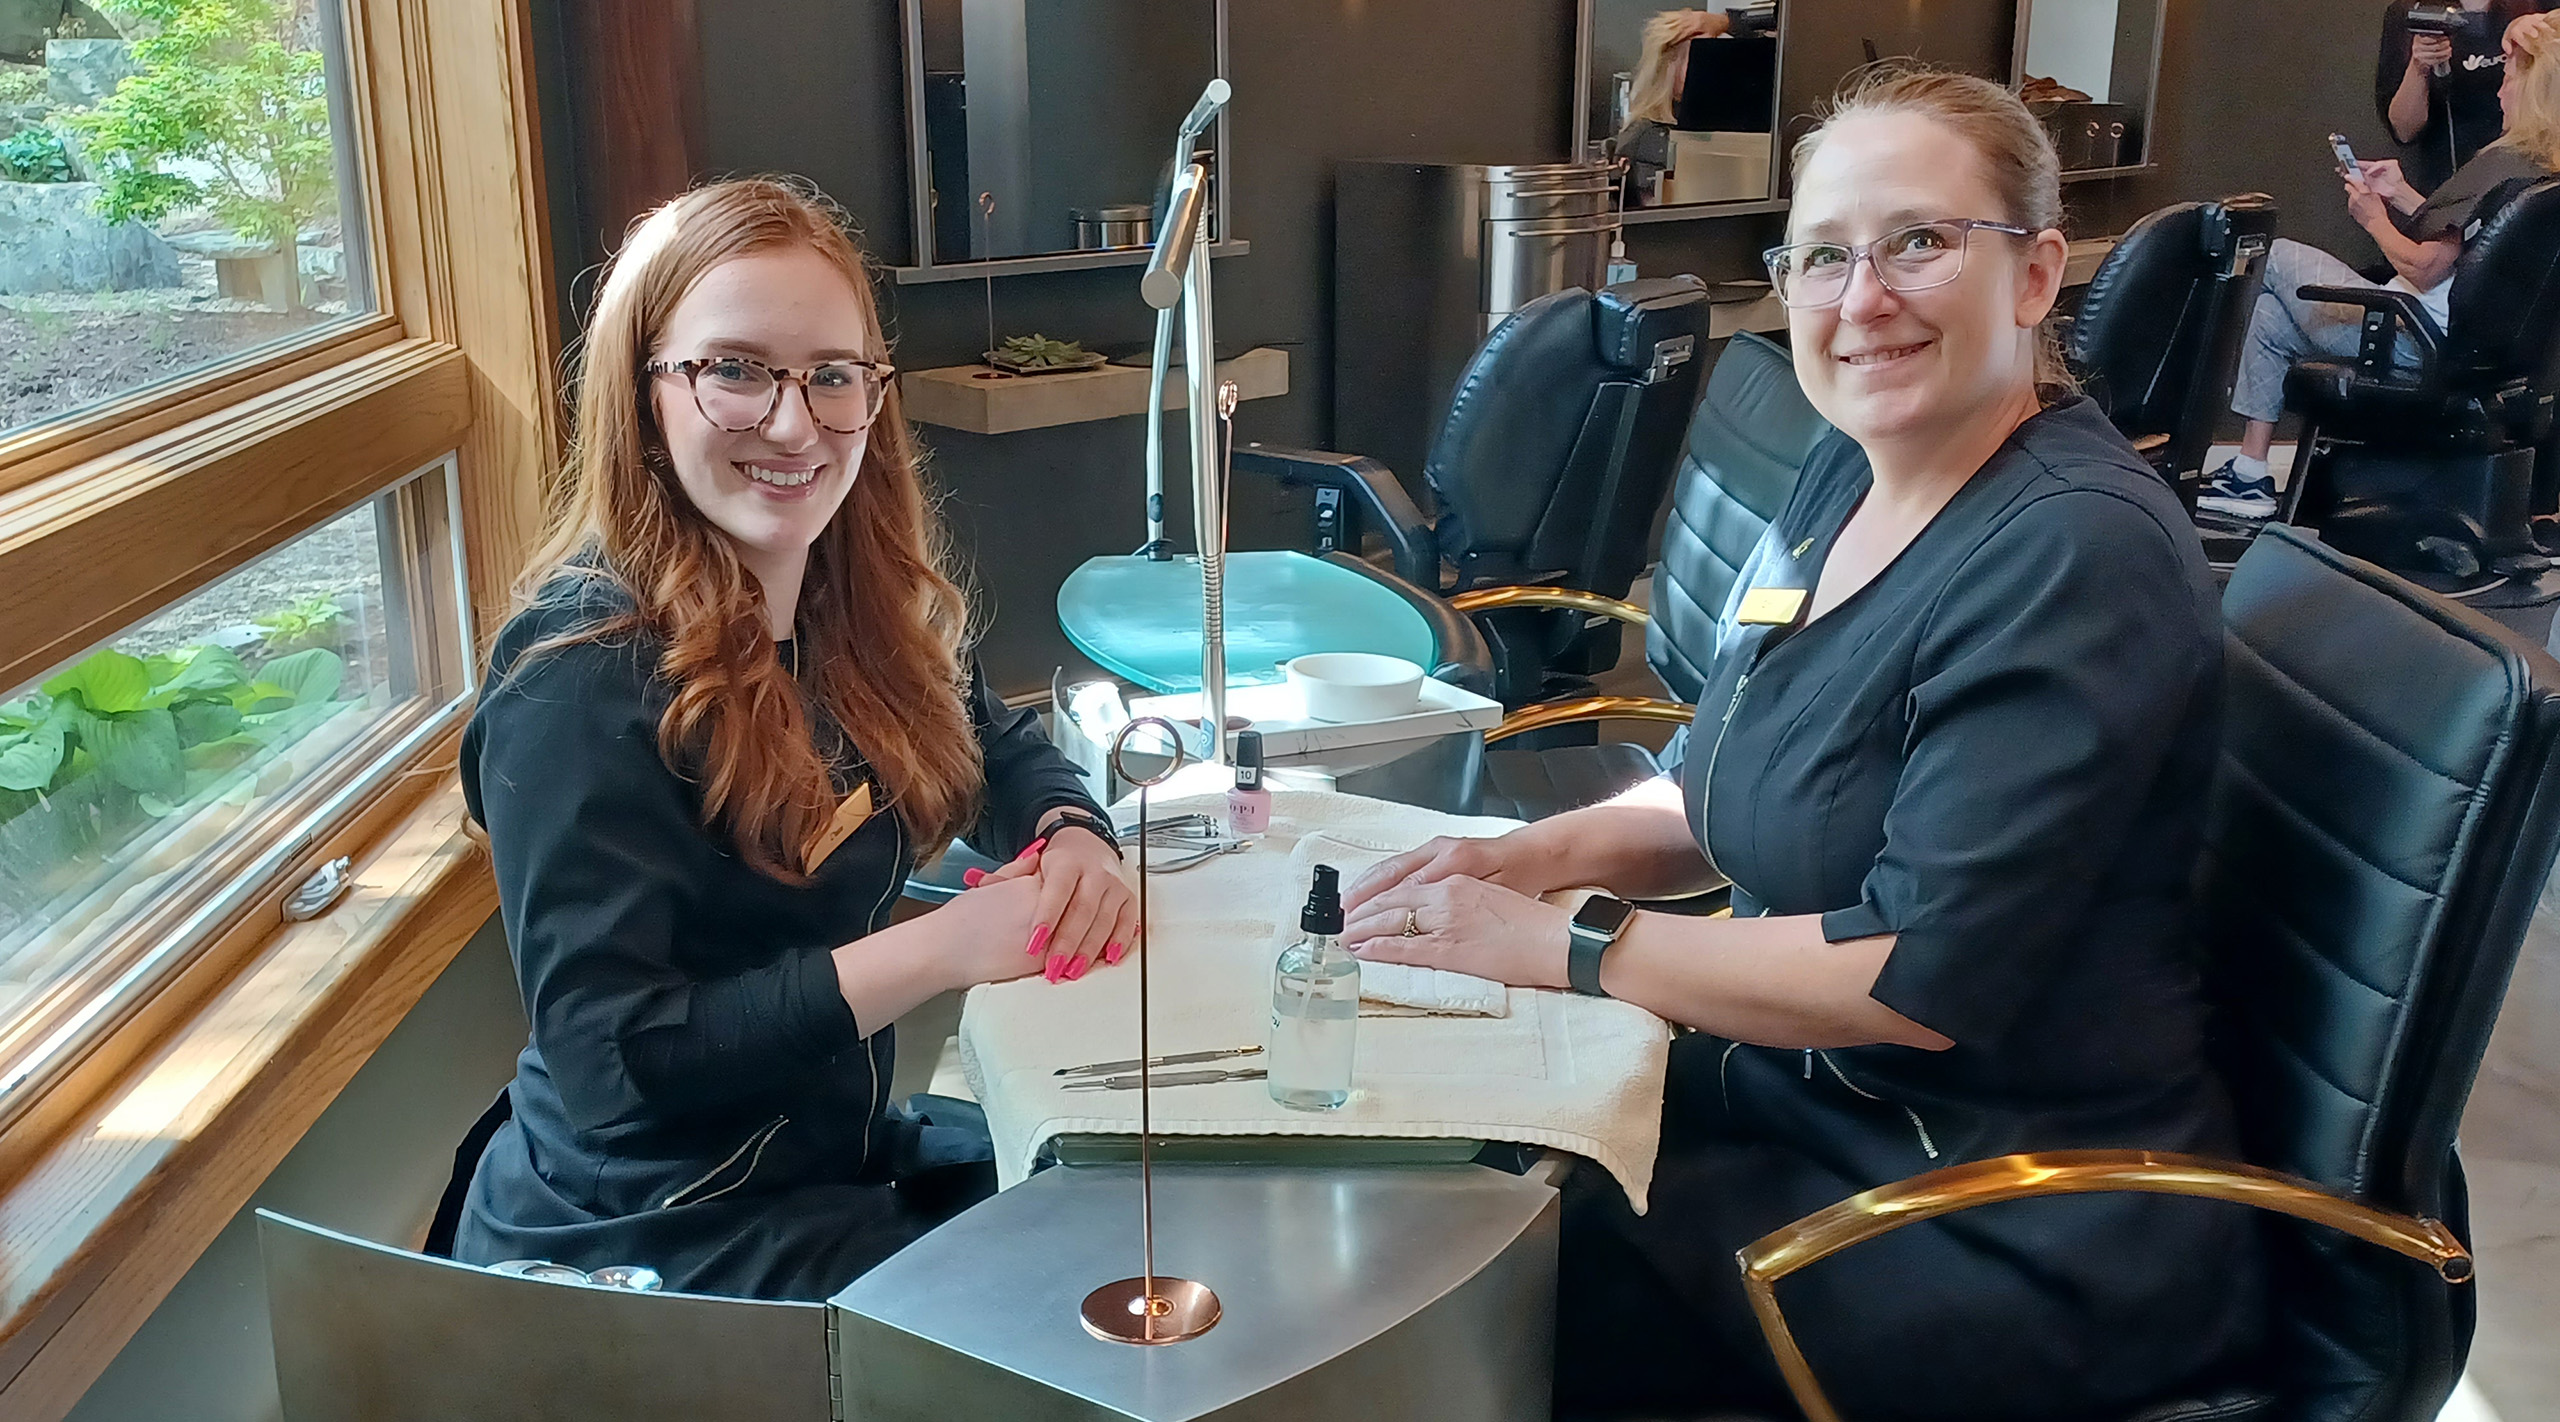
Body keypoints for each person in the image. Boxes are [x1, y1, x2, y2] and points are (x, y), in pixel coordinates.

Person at [1344, 66, 2261, 1421]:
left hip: (1988, 1209)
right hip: (1806, 1106)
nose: (1862, 297)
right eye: (1823, 255)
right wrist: (1525, 858)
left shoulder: (2077, 550)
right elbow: (1725, 774)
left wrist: (1570, 946)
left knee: (1494, 1273)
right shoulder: (1853, 465)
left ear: (2033, 272)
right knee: (1467, 1161)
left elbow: (1910, 972)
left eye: (1920, 241)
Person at [446, 177, 1134, 1300]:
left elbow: (996, 742)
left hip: (827, 1159)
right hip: (658, 1236)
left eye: (831, 376)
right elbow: (618, 1061)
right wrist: (945, 950)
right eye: (735, 370)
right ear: (644, 393)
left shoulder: (845, 605)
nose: (792, 422)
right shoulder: (576, 680)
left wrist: (1071, 836)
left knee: (1122, 1207)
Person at [2202, 10, 2560, 518]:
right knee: (2273, 314)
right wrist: (2399, 195)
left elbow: (2424, 268)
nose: (2499, 93)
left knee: (2270, 254)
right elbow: (2471, 246)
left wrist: (2373, 219)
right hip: (2463, 345)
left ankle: (2187, 429)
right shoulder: (2540, 170)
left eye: (2505, 79)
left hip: (2409, 338)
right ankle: (2249, 475)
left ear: (2532, 91)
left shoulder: (2500, 162)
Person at [2377, 0, 2537, 192]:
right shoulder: (2409, 10)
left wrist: (2543, 31)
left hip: (2529, 172)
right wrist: (2419, 67)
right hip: (2450, 175)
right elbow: (2404, 131)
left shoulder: (2535, 5)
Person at [1612, 9, 1730, 202]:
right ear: (1670, 64)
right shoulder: (1645, 137)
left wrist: (1721, 22)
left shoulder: (1722, 131)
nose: (1713, 70)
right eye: (1704, 57)